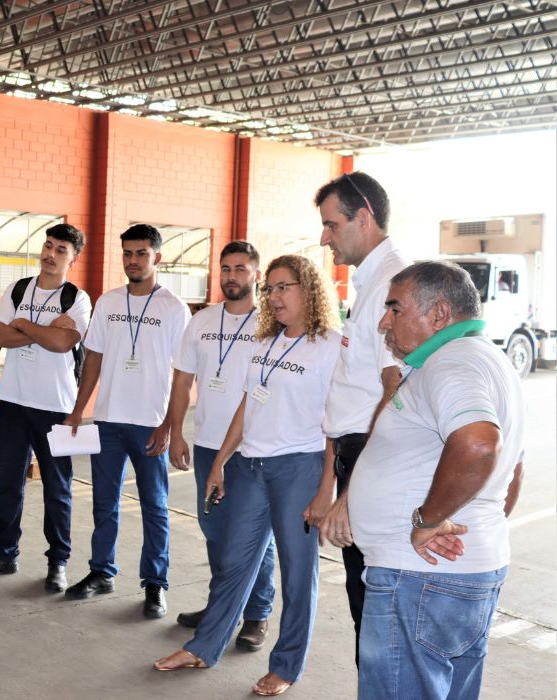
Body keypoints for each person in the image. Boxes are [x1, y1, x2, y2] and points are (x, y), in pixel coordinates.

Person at [154, 255, 341, 698]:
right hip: (250, 466)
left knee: (298, 574)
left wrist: (327, 488)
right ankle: (205, 645)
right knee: (233, 563)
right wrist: (221, 461)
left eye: (283, 288)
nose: (273, 298)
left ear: (309, 290)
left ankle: (287, 665)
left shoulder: (332, 346)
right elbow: (247, 404)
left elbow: (339, 421)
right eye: (270, 289)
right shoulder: (266, 342)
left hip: (299, 467)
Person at [344, 261, 525, 700]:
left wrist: (428, 521)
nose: (384, 322)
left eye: (395, 309)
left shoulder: (452, 363)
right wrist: (478, 523)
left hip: (421, 578)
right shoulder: (484, 359)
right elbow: (514, 467)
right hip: (458, 572)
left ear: (440, 314)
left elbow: (480, 444)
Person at [304, 172, 411, 664]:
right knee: (364, 604)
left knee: (375, 609)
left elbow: (394, 390)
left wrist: (352, 490)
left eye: (331, 225)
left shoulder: (391, 283)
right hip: (355, 453)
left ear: (363, 217)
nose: (324, 237)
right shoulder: (369, 281)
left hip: (370, 456)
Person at [64, 224, 190, 618]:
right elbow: (94, 358)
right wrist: (78, 409)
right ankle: (101, 572)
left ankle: (155, 584)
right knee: (105, 502)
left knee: (155, 505)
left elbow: (183, 373)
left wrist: (170, 425)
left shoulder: (173, 308)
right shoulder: (109, 301)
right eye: (127, 254)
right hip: (108, 420)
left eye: (141, 253)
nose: (133, 261)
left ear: (158, 257)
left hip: (150, 422)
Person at [162, 240, 276, 651]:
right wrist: (177, 432)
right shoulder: (203, 320)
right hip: (209, 444)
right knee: (215, 530)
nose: (232, 276)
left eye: (241, 269)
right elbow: (182, 380)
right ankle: (221, 605)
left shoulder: (272, 323)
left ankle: (257, 614)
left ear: (256, 276)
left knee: (253, 536)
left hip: (254, 448)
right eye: (226, 268)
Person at [0, 224, 91, 593]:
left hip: (58, 409)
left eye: (61, 249)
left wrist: (22, 323)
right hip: (14, 403)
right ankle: (3, 553)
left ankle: (58, 562)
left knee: (58, 488)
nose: (50, 254)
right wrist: (39, 327)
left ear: (74, 257)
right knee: (8, 484)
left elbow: (62, 342)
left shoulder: (78, 299)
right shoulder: (18, 289)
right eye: (48, 246)